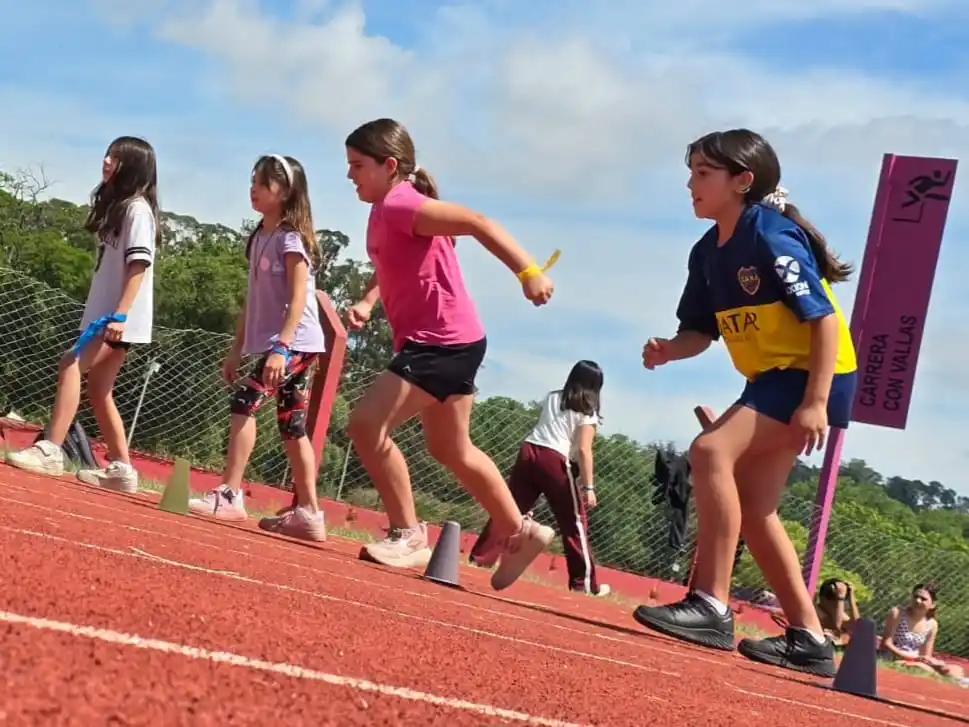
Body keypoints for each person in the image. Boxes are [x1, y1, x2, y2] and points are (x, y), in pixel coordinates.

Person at [632, 128, 858, 678]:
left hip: (811, 376)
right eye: (691, 173)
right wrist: (669, 349)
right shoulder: (707, 253)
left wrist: (815, 402)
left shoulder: (771, 236)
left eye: (703, 174)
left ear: (743, 181)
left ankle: (710, 603)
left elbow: (823, 321)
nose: (690, 184)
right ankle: (809, 638)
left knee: (710, 452)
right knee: (757, 509)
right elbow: (700, 333)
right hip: (770, 380)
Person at [342, 117, 556, 591]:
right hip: (453, 339)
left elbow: (478, 223)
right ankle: (520, 532)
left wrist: (530, 272)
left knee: (365, 424)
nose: (350, 175)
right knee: (450, 447)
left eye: (358, 166)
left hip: (439, 341)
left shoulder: (402, 203)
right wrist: (368, 300)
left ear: (389, 165)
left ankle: (407, 532)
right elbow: (396, 264)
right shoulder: (385, 209)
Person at [6, 136, 160, 494]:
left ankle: (51, 448)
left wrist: (119, 316)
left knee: (71, 364)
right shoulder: (119, 208)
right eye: (107, 154)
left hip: (119, 318)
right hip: (111, 316)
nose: (106, 161)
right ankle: (122, 468)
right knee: (99, 388)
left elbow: (139, 265)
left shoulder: (137, 211)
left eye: (116, 158)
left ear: (133, 167)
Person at [188, 154, 327, 542]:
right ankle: (310, 512)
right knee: (292, 425)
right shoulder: (259, 237)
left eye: (264, 183)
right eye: (253, 180)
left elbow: (300, 296)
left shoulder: (291, 239)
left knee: (245, 402)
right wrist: (237, 348)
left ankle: (230, 493)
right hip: (276, 343)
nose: (254, 188)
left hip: (294, 341)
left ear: (286, 192)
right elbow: (251, 300)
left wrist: (282, 347)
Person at [469, 360, 610, 596]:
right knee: (575, 523)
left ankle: (480, 558)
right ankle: (583, 584)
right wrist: (588, 487)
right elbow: (584, 450)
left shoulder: (553, 397)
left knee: (508, 508)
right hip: (554, 459)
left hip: (529, 450)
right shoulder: (587, 411)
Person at [880, 584, 965, 681]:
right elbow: (886, 644)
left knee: (956, 669)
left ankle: (957, 680)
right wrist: (912, 658)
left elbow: (926, 654)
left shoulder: (932, 624)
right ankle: (943, 677)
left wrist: (931, 662)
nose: (918, 600)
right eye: (915, 596)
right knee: (922, 667)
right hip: (894, 658)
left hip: (916, 660)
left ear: (932, 605)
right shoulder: (898, 613)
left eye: (923, 599)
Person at [815, 578, 859, 648]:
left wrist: (851, 597)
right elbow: (837, 627)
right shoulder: (816, 611)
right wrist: (840, 598)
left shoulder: (835, 612)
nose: (838, 606)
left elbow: (856, 626)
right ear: (823, 599)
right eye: (835, 602)